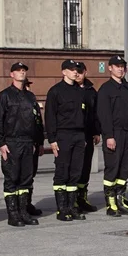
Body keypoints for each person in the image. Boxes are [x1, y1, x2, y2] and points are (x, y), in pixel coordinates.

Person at [0, 61, 45, 227]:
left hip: (28, 142)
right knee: (12, 178)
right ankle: (13, 214)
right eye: (18, 70)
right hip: (11, 142)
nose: (22, 73)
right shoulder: (4, 96)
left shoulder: (30, 97)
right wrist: (1, 143)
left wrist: (38, 141)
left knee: (26, 179)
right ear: (12, 74)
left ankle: (23, 212)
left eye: (23, 70)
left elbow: (36, 121)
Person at [97, 55, 128, 217]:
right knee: (112, 168)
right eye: (117, 66)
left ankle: (120, 200)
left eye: (122, 66)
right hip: (114, 133)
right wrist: (109, 135)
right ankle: (111, 204)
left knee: (124, 168)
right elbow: (104, 115)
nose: (120, 69)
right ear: (110, 68)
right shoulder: (105, 89)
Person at [45, 60, 88, 221]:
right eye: (71, 69)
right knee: (62, 171)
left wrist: (84, 136)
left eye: (76, 69)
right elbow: (50, 116)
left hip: (78, 135)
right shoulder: (55, 91)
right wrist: (52, 139)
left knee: (75, 172)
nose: (75, 72)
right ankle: (62, 209)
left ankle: (71, 207)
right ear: (63, 72)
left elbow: (85, 115)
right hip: (63, 135)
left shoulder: (80, 91)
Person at [73, 62, 101, 214]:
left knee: (85, 168)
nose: (77, 74)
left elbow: (96, 113)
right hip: (73, 135)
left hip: (88, 134)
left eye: (80, 71)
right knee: (74, 168)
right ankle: (72, 200)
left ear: (85, 72)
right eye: (75, 71)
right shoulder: (69, 89)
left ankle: (82, 198)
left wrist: (97, 131)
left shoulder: (91, 91)